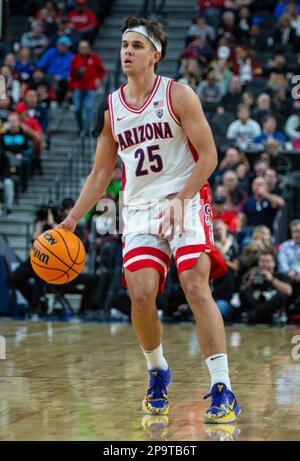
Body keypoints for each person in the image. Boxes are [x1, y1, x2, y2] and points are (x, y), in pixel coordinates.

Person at [58, 16, 241, 423]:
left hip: (186, 196)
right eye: (124, 45)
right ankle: (158, 371)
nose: (127, 51)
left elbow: (209, 156)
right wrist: (72, 218)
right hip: (139, 208)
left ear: (155, 54)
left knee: (195, 284)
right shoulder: (111, 108)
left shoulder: (179, 95)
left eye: (137, 46)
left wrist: (182, 198)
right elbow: (101, 173)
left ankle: (222, 386)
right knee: (140, 294)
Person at [239, 250, 292, 324]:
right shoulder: (255, 274)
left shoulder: (279, 275)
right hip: (258, 304)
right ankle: (262, 314)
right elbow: (243, 291)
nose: (264, 264)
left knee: (281, 295)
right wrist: (250, 281)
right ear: (258, 263)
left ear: (274, 263)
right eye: (262, 261)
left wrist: (272, 280)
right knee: (243, 291)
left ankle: (254, 314)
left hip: (272, 306)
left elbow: (288, 291)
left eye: (267, 261)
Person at [69, 40, 106, 136]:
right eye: (81, 48)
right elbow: (71, 75)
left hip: (90, 87)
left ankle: (87, 131)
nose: (83, 49)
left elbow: (102, 71)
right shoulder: (75, 59)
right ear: (78, 49)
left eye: (85, 47)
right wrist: (70, 89)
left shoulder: (94, 57)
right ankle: (81, 128)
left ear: (89, 48)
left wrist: (98, 79)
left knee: (89, 108)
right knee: (77, 109)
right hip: (78, 87)